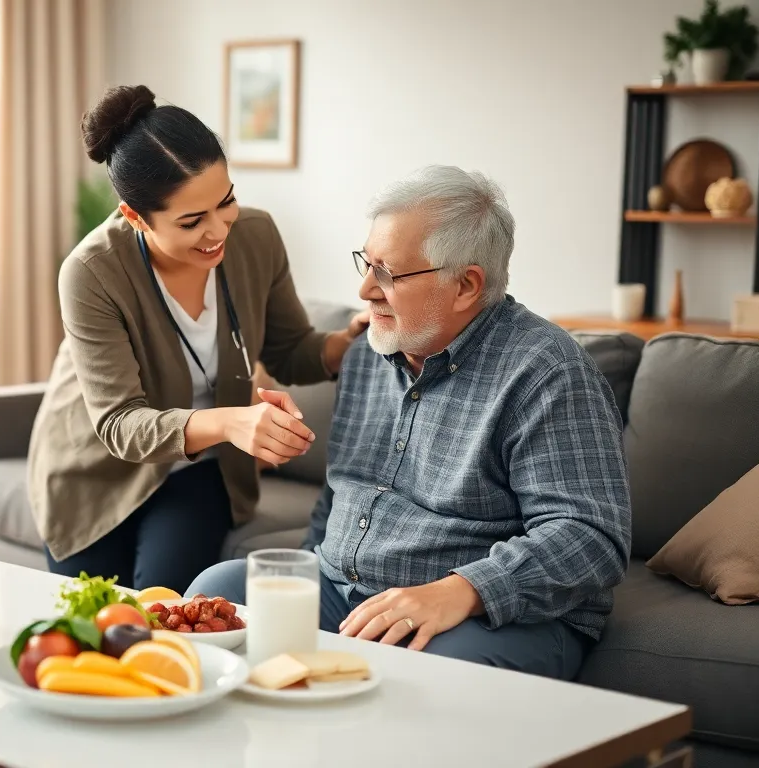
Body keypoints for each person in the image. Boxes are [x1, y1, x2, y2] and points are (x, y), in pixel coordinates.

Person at [187, 165, 632, 680]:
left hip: (488, 617)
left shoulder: (548, 373)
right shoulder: (366, 353)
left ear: (465, 285)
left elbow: (590, 537)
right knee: (215, 598)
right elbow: (342, 496)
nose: (364, 290)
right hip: (345, 594)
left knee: (425, 682)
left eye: (387, 273)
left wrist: (462, 591)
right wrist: (310, 566)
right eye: (365, 263)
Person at [26, 85, 368, 594]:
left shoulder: (256, 236)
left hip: (201, 468)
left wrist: (345, 344)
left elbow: (289, 347)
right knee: (96, 632)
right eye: (191, 221)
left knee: (166, 618)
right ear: (135, 218)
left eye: (225, 201)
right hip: (94, 473)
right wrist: (234, 421)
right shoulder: (91, 272)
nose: (218, 231)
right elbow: (120, 423)